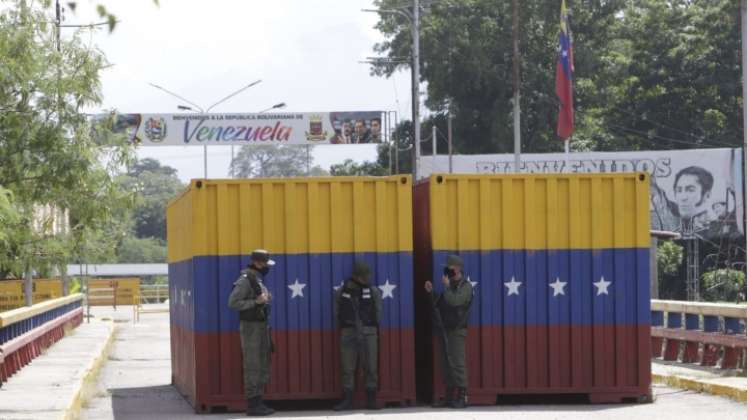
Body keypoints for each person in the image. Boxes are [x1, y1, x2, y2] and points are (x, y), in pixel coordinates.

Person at [228, 249, 276, 416]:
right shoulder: (245, 280)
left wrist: (266, 299)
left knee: (262, 362)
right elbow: (233, 303)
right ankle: (253, 404)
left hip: (260, 326)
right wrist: (255, 301)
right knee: (253, 364)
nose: (267, 268)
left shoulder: (256, 279)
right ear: (257, 263)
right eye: (265, 264)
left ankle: (258, 401)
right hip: (251, 328)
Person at [333, 260, 382, 411]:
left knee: (371, 366)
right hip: (349, 332)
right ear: (357, 276)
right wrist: (346, 328)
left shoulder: (373, 291)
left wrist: (370, 328)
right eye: (364, 276)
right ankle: (347, 400)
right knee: (348, 367)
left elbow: (378, 313)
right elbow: (337, 313)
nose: (367, 279)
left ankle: (371, 400)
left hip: (368, 332)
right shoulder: (342, 291)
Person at [425, 255, 473, 409]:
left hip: (457, 330)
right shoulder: (450, 286)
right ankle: (450, 396)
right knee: (447, 364)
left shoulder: (465, 287)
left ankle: (462, 396)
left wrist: (445, 287)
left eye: (449, 268)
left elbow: (455, 301)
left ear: (457, 269)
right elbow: (439, 304)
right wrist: (431, 292)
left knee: (458, 363)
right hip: (445, 330)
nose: (446, 270)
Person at [650, 166, 714, 237]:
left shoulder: (714, 229)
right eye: (679, 190)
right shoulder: (676, 225)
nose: (683, 197)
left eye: (690, 190)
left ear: (707, 195)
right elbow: (663, 205)